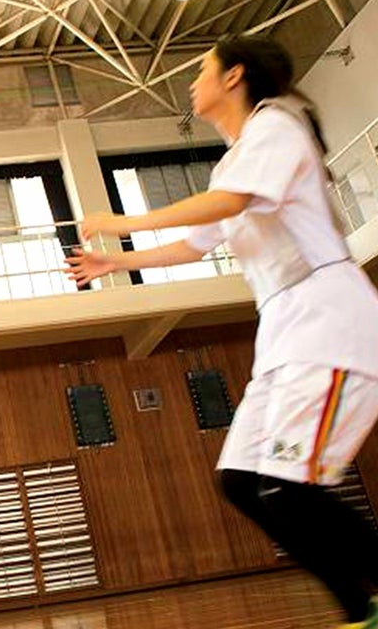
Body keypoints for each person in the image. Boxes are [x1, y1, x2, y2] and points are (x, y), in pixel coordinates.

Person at [67, 34, 378, 629]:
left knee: (287, 486)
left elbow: (226, 205)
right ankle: (360, 607)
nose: (192, 83)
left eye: (201, 70)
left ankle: (362, 606)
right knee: (240, 480)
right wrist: (116, 262)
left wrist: (124, 221)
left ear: (234, 76)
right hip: (283, 333)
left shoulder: (276, 126)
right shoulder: (235, 160)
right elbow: (195, 243)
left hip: (330, 324)